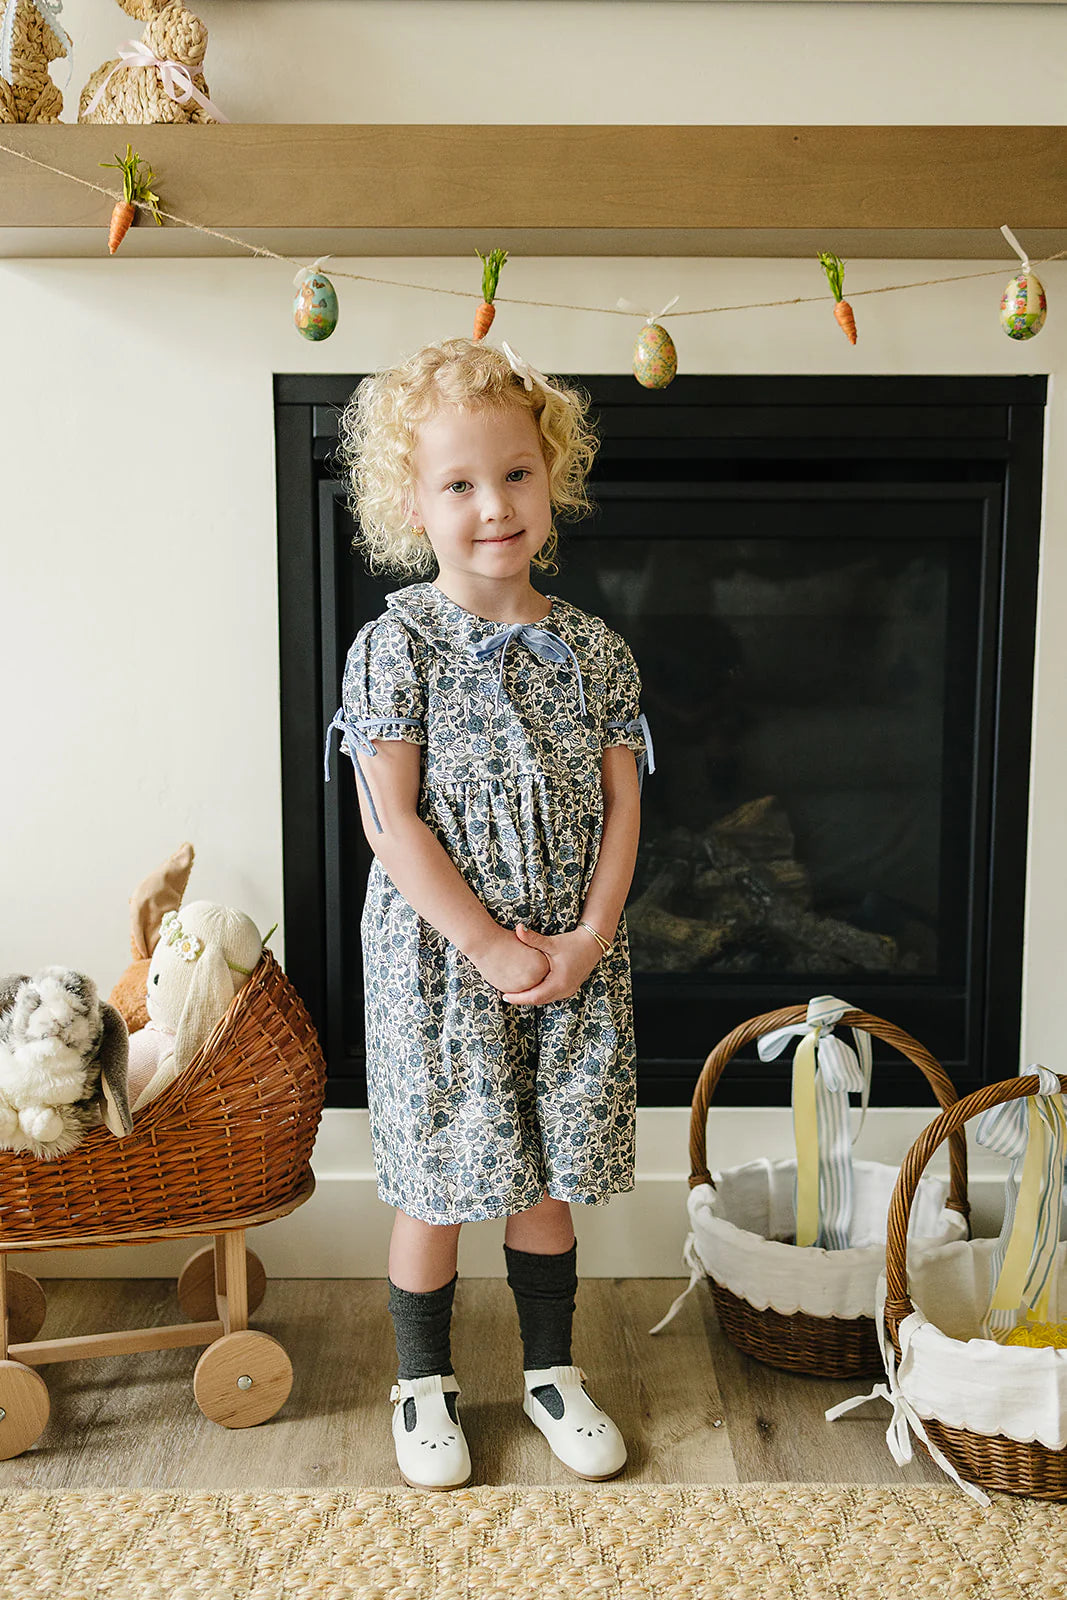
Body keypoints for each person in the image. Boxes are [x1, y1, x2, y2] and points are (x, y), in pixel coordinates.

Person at [324, 335, 655, 1491]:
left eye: (514, 474)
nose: (492, 505)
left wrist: (587, 937)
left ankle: (549, 1371)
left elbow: (622, 807)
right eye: (458, 484)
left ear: (551, 477)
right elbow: (391, 821)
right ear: (410, 505)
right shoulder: (395, 646)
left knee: (548, 1176)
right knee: (440, 1180)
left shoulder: (593, 650)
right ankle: (421, 1385)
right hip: (442, 965)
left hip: (569, 958)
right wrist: (485, 944)